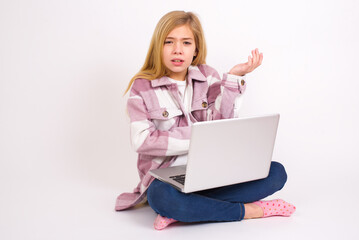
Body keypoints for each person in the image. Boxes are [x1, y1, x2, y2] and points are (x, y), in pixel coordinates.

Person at [116, 10, 295, 230]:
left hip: (211, 173)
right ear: (158, 47)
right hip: (168, 181)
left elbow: (224, 123)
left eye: (186, 42)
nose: (177, 49)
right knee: (160, 197)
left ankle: (186, 211)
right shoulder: (142, 86)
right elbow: (142, 140)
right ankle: (249, 211)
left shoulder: (207, 76)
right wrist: (199, 136)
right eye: (169, 42)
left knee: (276, 172)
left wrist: (233, 78)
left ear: (196, 49)